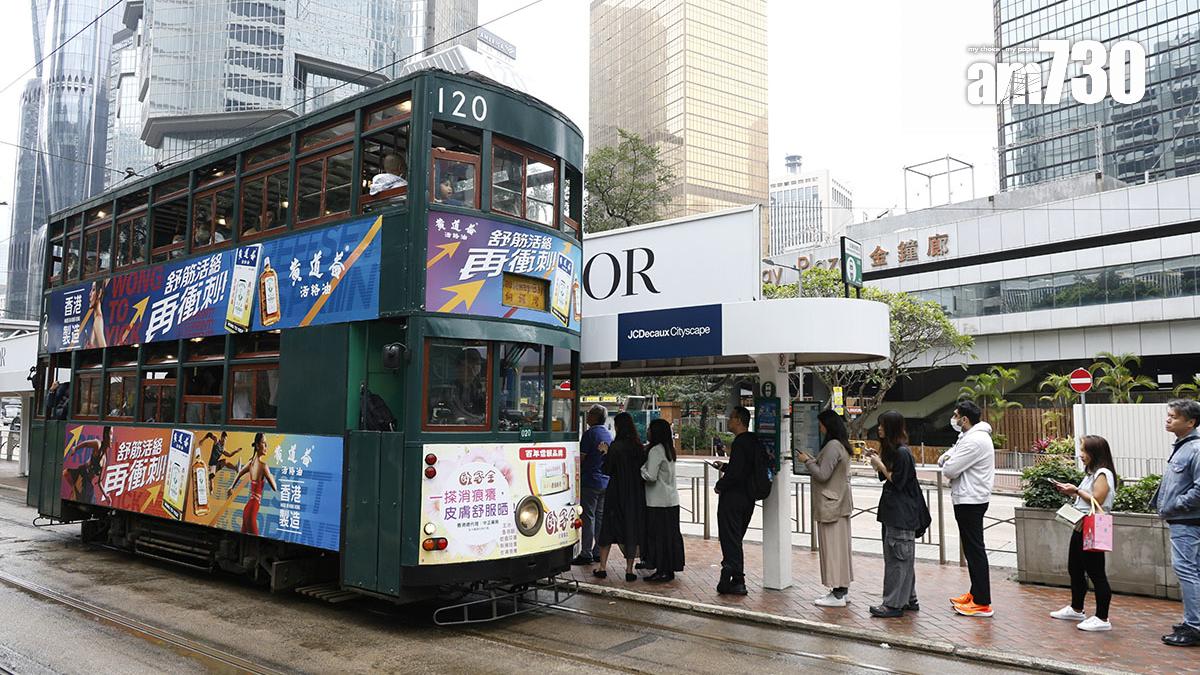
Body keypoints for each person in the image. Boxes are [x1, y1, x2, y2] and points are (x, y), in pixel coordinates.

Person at [867, 411, 931, 618]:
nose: (879, 429)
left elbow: (897, 481)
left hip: (901, 515)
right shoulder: (896, 451)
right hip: (894, 514)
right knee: (902, 558)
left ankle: (893, 604)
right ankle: (909, 599)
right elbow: (886, 475)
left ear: (891, 428)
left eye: (882, 425)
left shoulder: (903, 453)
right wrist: (878, 460)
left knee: (898, 559)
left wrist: (880, 465)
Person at [1050, 434, 1116, 632]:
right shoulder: (1091, 473)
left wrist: (1076, 491)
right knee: (1075, 568)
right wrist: (1073, 491)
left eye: (1084, 450)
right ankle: (1076, 608)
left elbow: (1097, 499)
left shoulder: (1103, 473)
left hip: (1092, 526)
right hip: (1081, 525)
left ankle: (1102, 617)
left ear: (1095, 452)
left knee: (1096, 573)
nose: (1080, 454)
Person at [939, 400, 996, 617]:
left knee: (975, 550)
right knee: (972, 549)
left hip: (971, 499)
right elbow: (946, 458)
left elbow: (949, 469)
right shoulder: (968, 437)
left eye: (956, 415)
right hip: (968, 498)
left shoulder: (975, 440)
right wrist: (948, 458)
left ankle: (982, 602)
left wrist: (948, 460)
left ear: (964, 419)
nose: (953, 419)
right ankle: (975, 593)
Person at [1152, 399, 1200, 646]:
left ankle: (1194, 626)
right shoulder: (1183, 447)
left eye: (1174, 416)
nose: (1168, 419)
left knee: (1186, 569)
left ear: (1190, 422)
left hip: (1188, 520)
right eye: (1168, 415)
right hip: (1184, 519)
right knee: (1193, 570)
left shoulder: (1195, 449)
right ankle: (1194, 621)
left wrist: (1175, 504)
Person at [797, 409, 854, 607]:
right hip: (840, 503)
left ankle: (837, 594)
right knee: (841, 549)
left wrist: (807, 461)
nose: (820, 428)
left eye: (821, 424)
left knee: (832, 549)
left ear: (828, 425)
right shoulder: (841, 445)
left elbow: (822, 475)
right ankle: (842, 590)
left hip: (831, 505)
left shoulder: (832, 446)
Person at [594, 411, 647, 582]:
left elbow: (607, 470)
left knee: (608, 528)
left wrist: (604, 452)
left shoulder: (615, 447)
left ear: (618, 427)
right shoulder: (638, 447)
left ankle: (602, 567)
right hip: (634, 494)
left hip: (616, 493)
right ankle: (629, 569)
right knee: (630, 528)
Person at [714, 406, 759, 595]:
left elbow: (736, 474)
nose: (728, 420)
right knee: (736, 537)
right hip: (748, 497)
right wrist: (725, 467)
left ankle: (737, 578)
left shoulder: (740, 442)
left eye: (731, 417)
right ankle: (733, 576)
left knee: (730, 538)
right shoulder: (754, 441)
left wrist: (720, 485)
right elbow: (744, 468)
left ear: (739, 420)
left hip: (733, 498)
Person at [640, 418, 685, 582]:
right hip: (671, 500)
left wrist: (641, 469)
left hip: (656, 501)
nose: (647, 432)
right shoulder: (669, 449)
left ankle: (661, 570)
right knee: (670, 536)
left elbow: (651, 476)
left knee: (658, 537)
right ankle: (669, 568)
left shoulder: (655, 451)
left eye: (650, 429)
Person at [574, 404, 612, 566]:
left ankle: (586, 553)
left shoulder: (589, 434)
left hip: (590, 481)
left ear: (595, 417)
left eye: (589, 414)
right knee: (600, 517)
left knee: (588, 518)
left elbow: (581, 458)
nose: (587, 416)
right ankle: (598, 551)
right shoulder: (608, 434)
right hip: (605, 481)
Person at [229, 433, 277, 535]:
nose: (266, 446)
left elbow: (239, 473)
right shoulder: (264, 466)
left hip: (248, 508)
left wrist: (231, 487)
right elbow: (275, 487)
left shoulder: (250, 464)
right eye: (264, 443)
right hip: (252, 510)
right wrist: (270, 475)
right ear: (258, 446)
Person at [63, 426, 112, 504]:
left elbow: (99, 482)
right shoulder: (97, 444)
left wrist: (106, 496)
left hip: (88, 484)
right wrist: (75, 448)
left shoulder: (104, 459)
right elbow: (86, 444)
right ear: (106, 435)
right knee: (66, 473)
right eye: (110, 434)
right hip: (82, 475)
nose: (112, 438)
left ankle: (75, 491)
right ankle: (75, 490)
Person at [448, 348, 486, 425]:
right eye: (470, 364)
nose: (474, 368)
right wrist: (480, 420)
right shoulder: (451, 389)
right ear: (459, 367)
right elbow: (458, 413)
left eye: (478, 364)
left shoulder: (477, 387)